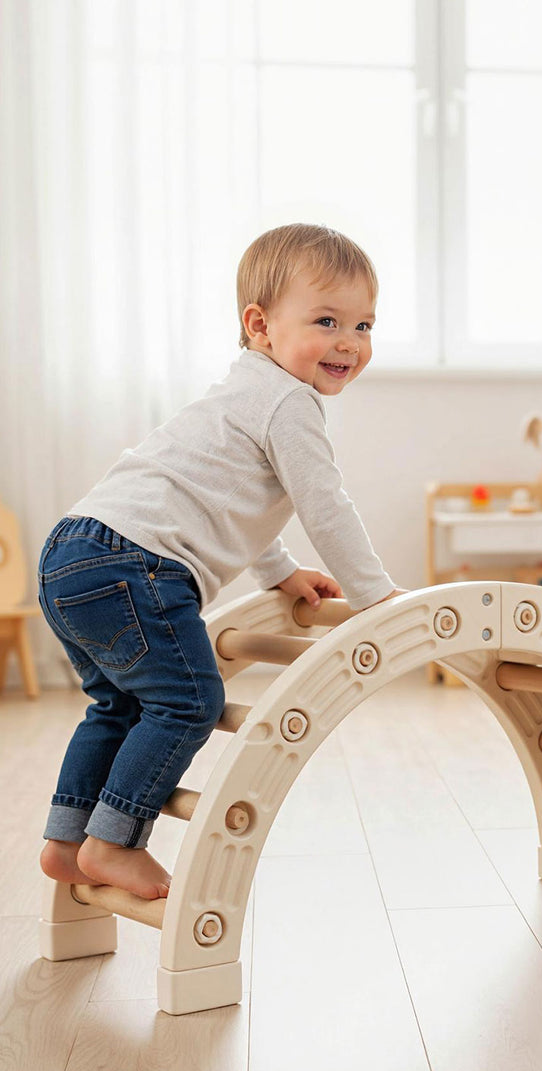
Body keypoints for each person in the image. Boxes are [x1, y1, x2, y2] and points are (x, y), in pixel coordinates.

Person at [37, 223, 397, 901]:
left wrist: (280, 573)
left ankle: (66, 839)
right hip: (135, 562)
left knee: (115, 703)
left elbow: (231, 504)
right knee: (188, 701)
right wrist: (375, 596)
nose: (350, 342)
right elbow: (325, 506)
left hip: (73, 553)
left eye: (365, 324)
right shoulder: (290, 402)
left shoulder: (241, 392)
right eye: (327, 321)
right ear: (259, 325)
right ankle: (113, 842)